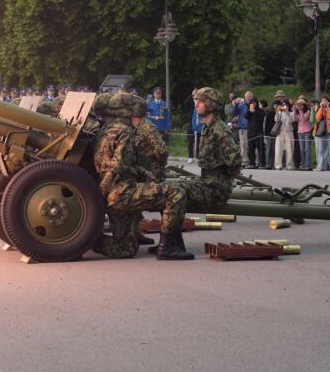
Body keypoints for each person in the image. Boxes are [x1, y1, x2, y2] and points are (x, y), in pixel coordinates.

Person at [92, 93, 192, 260]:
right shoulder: (125, 132)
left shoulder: (104, 130)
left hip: (111, 194)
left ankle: (90, 240)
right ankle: (167, 248)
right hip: (121, 192)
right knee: (176, 192)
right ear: (125, 111)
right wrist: (106, 189)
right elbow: (118, 165)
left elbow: (109, 162)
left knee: (126, 249)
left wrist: (140, 170)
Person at [177, 87, 242, 212]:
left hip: (215, 190)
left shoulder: (219, 129)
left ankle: (170, 231)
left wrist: (223, 179)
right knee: (167, 188)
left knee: (172, 192)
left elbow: (235, 159)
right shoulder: (208, 127)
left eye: (200, 101)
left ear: (210, 104)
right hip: (206, 184)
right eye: (196, 101)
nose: (196, 104)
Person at [131, 96, 168, 247]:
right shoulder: (134, 127)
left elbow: (161, 151)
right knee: (135, 206)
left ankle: (167, 241)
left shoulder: (147, 128)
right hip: (141, 172)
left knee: (161, 204)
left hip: (152, 172)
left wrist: (156, 165)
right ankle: (136, 234)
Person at [314, 96, 330, 171]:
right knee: (321, 149)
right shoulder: (320, 109)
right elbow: (317, 117)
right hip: (321, 131)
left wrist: (327, 107)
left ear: (328, 102)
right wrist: (321, 108)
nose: (323, 102)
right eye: (322, 100)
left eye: (325, 100)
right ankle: (320, 166)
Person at [272, 100, 295, 170]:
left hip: (289, 131)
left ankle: (289, 165)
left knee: (290, 149)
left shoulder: (292, 112)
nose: (284, 106)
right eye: (283, 105)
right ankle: (278, 165)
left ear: (289, 105)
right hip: (280, 131)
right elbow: (276, 119)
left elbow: (292, 120)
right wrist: (277, 111)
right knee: (278, 148)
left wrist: (287, 112)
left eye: (286, 105)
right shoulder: (280, 112)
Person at [245, 95, 266, 169]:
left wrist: (255, 112)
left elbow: (261, 118)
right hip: (250, 132)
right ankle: (251, 163)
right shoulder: (248, 110)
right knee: (250, 149)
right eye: (251, 103)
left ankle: (262, 163)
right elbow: (246, 116)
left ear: (256, 103)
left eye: (254, 102)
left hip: (258, 133)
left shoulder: (261, 111)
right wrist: (250, 111)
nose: (253, 104)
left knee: (260, 149)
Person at [293, 97, 313, 170]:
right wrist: (295, 110)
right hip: (300, 131)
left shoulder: (307, 111)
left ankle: (308, 164)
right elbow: (295, 119)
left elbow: (304, 118)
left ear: (304, 105)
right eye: (298, 104)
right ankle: (303, 164)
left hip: (307, 131)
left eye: (301, 104)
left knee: (307, 148)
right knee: (302, 149)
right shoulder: (298, 111)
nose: (299, 105)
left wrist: (300, 110)